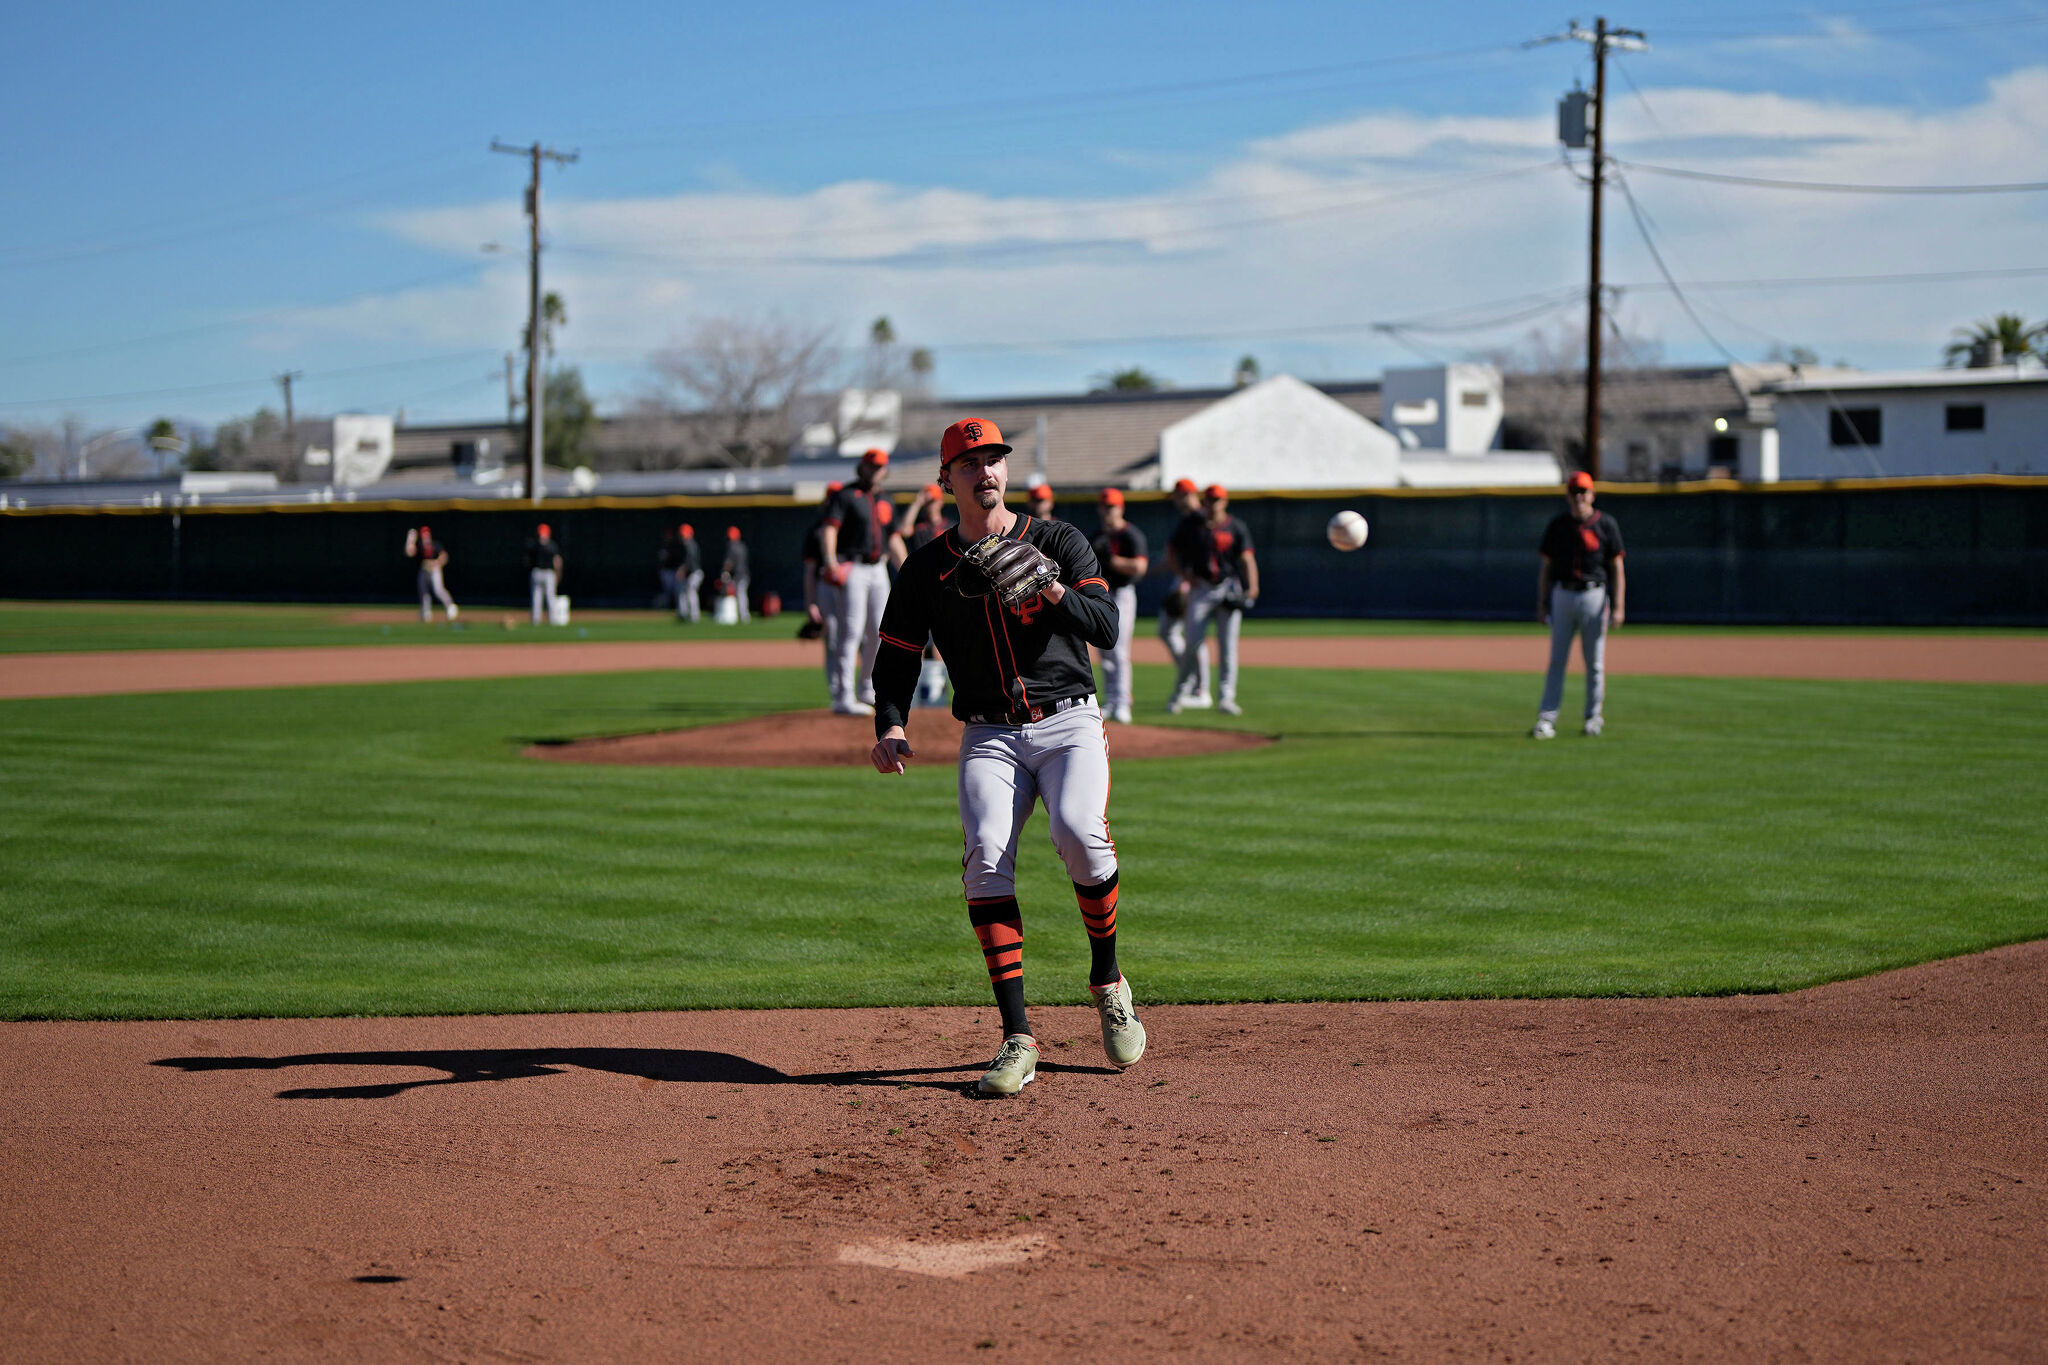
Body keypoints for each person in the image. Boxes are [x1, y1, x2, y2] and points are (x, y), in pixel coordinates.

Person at [869, 417, 1144, 1098]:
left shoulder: (1056, 539)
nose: (985, 471)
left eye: (993, 458)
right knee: (985, 857)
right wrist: (892, 724)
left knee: (1079, 833)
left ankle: (1108, 980)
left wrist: (1051, 589)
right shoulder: (927, 567)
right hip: (988, 733)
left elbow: (1107, 629)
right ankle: (1019, 1037)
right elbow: (897, 656)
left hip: (1068, 721)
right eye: (969, 463)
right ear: (947, 480)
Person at [1533, 470, 1626, 739]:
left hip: (1594, 596)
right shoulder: (1558, 525)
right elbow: (1545, 567)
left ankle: (1593, 717)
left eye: (1583, 491)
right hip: (1562, 594)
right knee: (1556, 661)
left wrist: (1619, 605)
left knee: (1594, 663)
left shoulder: (1605, 524)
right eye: (1574, 492)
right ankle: (1546, 718)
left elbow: (1617, 566)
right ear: (1567, 496)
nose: (1579, 497)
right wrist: (1542, 602)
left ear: (1592, 494)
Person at [1175, 485, 1258, 717]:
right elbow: (1173, 552)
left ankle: (1226, 698)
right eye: (1210, 500)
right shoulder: (1194, 525)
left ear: (1225, 502)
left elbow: (1247, 559)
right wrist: (1184, 575)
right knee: (1192, 644)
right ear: (1205, 501)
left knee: (1228, 648)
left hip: (1228, 587)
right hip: (1202, 587)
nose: (1214, 504)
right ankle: (1179, 693)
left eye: (1218, 500)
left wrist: (1252, 588)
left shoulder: (1235, 527)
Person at [819, 448, 891, 715]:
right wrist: (830, 561)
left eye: (880, 466)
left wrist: (907, 568)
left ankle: (866, 688)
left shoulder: (885, 499)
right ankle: (842, 696)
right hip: (854, 567)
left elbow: (892, 536)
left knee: (879, 633)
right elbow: (830, 528)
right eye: (871, 466)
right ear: (862, 467)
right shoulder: (846, 495)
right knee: (851, 632)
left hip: (878, 569)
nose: (875, 471)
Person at [890, 483, 953, 708]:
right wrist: (916, 502)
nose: (930, 505)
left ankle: (937, 695)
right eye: (927, 502)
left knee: (940, 646)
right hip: (919, 591)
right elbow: (901, 531)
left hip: (944, 593)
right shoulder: (918, 527)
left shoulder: (950, 526)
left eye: (932, 501)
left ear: (940, 502)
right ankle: (916, 697)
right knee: (915, 644)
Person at [1091, 488, 1148, 724]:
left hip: (1123, 594)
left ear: (1121, 508)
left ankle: (1123, 702)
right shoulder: (1096, 536)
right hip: (1102, 595)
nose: (1108, 510)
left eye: (1112, 506)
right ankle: (1113, 700)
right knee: (1104, 650)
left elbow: (1140, 568)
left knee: (1119, 650)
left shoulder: (1130, 535)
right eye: (1105, 506)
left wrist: (1114, 561)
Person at [1159, 478, 1211, 709]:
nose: (1177, 500)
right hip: (1184, 579)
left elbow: (1208, 552)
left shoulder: (1202, 519)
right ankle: (1189, 678)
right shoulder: (1186, 521)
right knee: (1168, 630)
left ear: (1191, 494)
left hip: (1197, 582)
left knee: (1194, 637)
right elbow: (1171, 555)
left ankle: (1202, 689)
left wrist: (1187, 580)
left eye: (1181, 495)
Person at [800, 482, 844, 659]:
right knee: (832, 638)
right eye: (831, 498)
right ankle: (837, 687)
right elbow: (810, 571)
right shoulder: (816, 531)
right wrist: (811, 603)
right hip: (826, 585)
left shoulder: (855, 527)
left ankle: (868, 687)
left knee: (865, 638)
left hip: (852, 583)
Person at [406, 524, 458, 623]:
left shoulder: (435, 544)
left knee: (438, 590)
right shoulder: (419, 546)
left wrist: (437, 563)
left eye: (426, 535)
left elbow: (444, 556)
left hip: (435, 569)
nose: (425, 537)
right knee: (423, 590)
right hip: (424, 569)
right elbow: (410, 552)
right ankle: (426, 612)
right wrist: (410, 540)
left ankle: (450, 606)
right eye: (423, 535)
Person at [664, 523, 703, 622]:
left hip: (694, 573)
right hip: (687, 574)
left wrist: (681, 571)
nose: (683, 537)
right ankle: (683, 614)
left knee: (690, 593)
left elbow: (689, 563)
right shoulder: (682, 545)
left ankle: (694, 615)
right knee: (681, 592)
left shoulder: (691, 545)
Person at [525, 522, 562, 625]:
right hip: (548, 573)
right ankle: (552, 620)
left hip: (537, 572)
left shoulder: (534, 545)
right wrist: (558, 574)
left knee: (537, 597)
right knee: (549, 597)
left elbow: (527, 561)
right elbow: (557, 561)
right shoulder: (551, 545)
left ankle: (536, 620)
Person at [720, 525, 751, 623]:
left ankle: (743, 615)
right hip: (744, 574)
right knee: (741, 595)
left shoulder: (731, 546)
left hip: (738, 575)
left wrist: (725, 572)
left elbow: (729, 562)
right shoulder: (742, 546)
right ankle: (743, 615)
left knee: (740, 595)